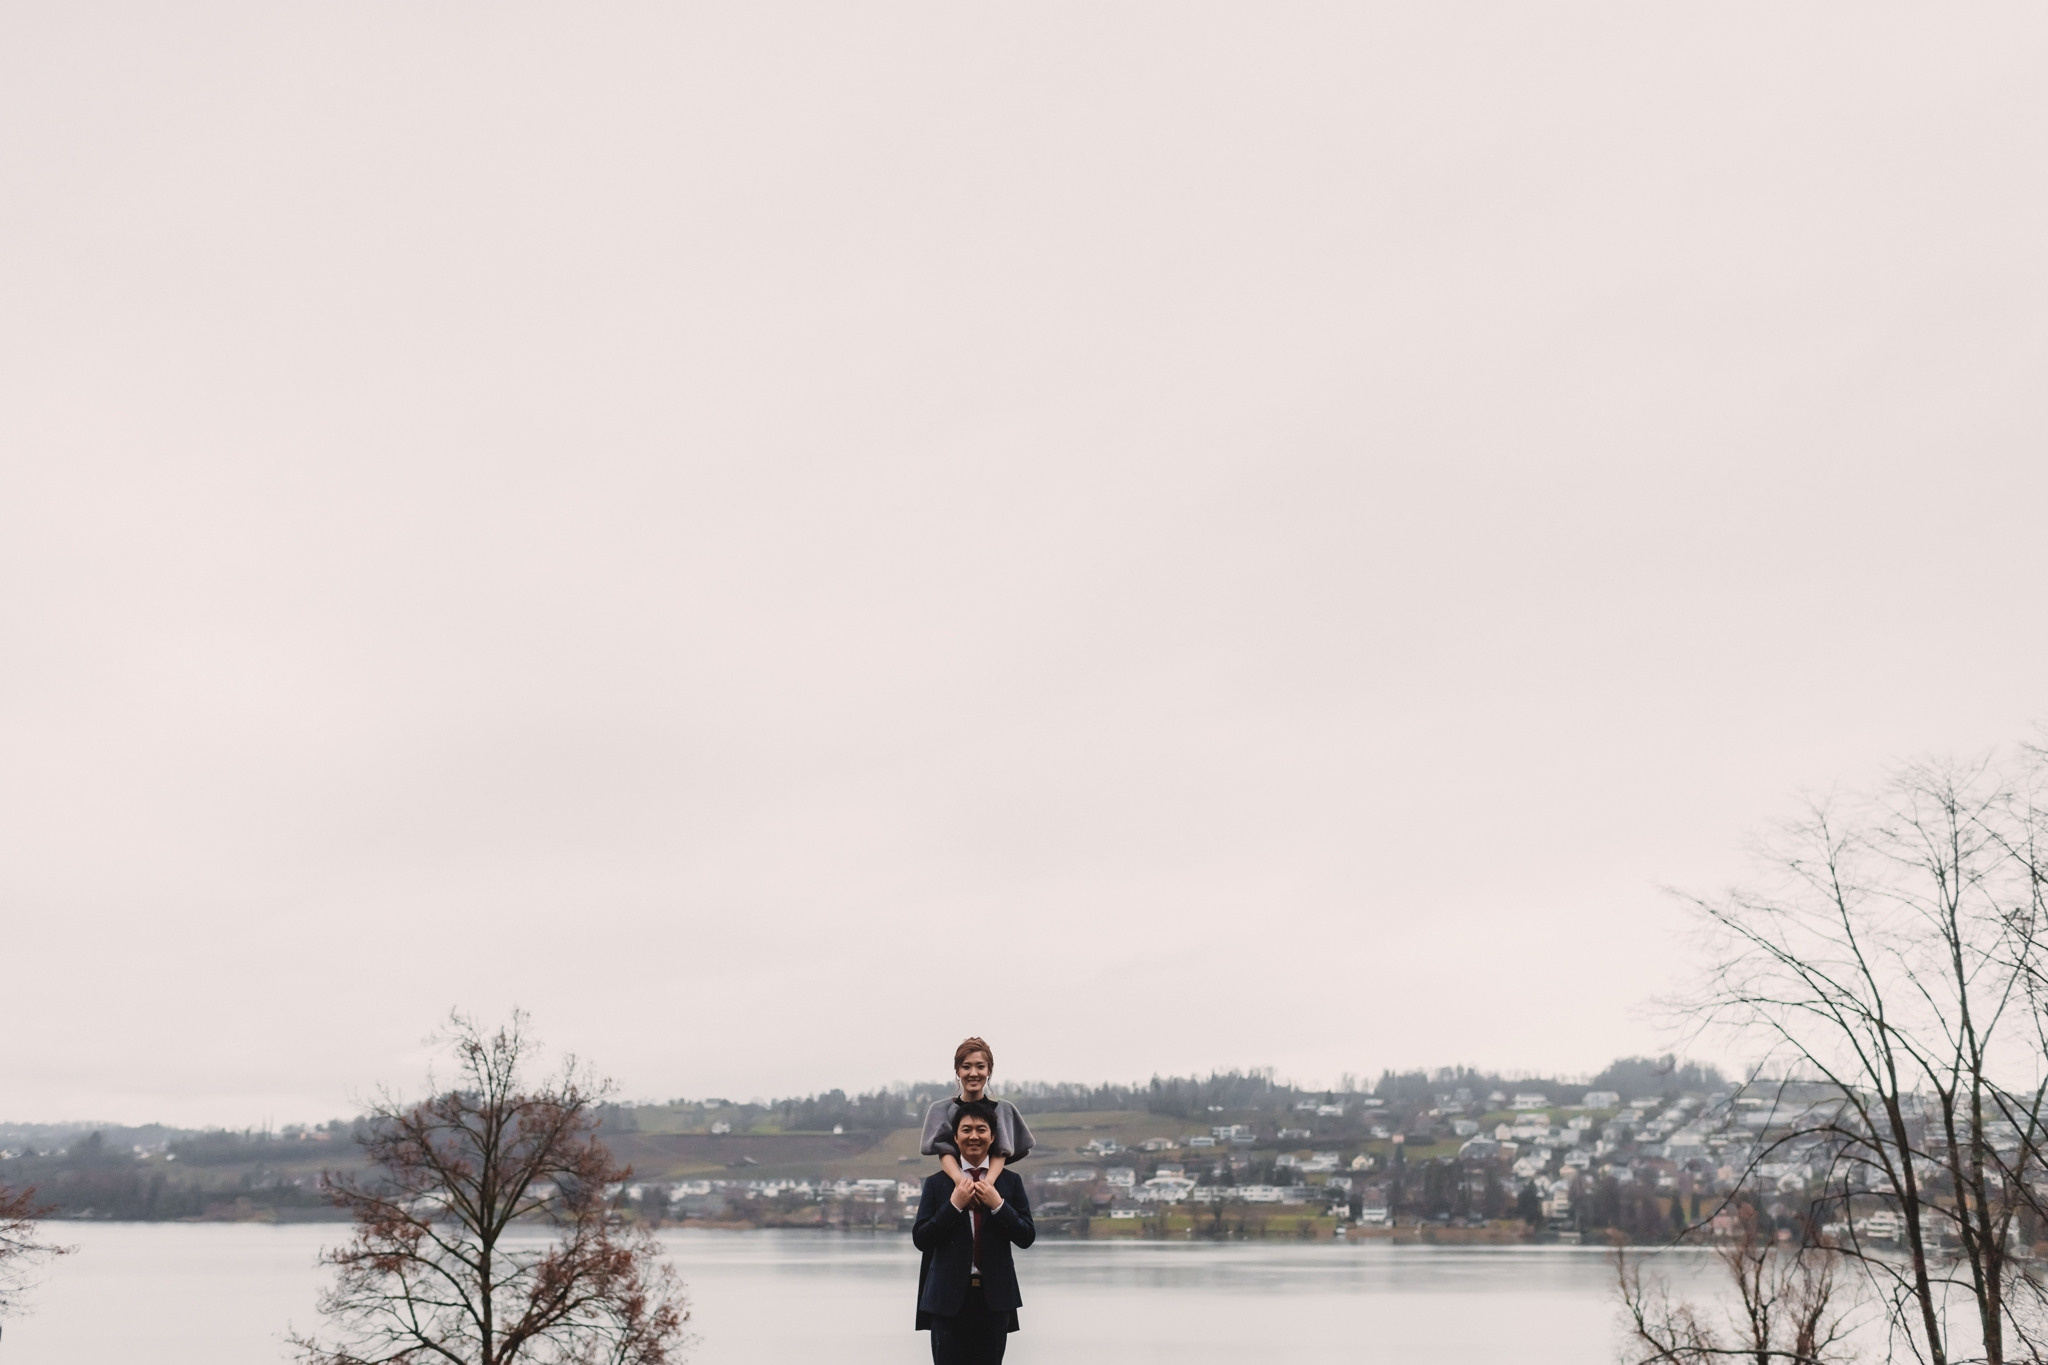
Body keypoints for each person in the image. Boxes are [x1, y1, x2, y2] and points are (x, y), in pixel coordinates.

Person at [912, 1100, 1036, 1364]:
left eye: (981, 1129)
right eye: (966, 1130)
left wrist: (998, 1204)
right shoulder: (937, 1184)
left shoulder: (1010, 1182)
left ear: (993, 1137)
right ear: (955, 1137)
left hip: (995, 1301)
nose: (974, 1136)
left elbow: (1026, 1236)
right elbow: (921, 1238)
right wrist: (954, 1204)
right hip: (946, 1301)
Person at [920, 1037, 1034, 1198]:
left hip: (994, 1191)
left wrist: (986, 1186)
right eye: (966, 1067)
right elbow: (944, 1151)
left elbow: (1002, 1151)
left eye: (980, 1066)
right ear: (958, 1071)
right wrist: (961, 1183)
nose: (973, 1073)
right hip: (952, 1190)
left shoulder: (1003, 1110)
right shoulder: (941, 1111)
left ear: (989, 1071)